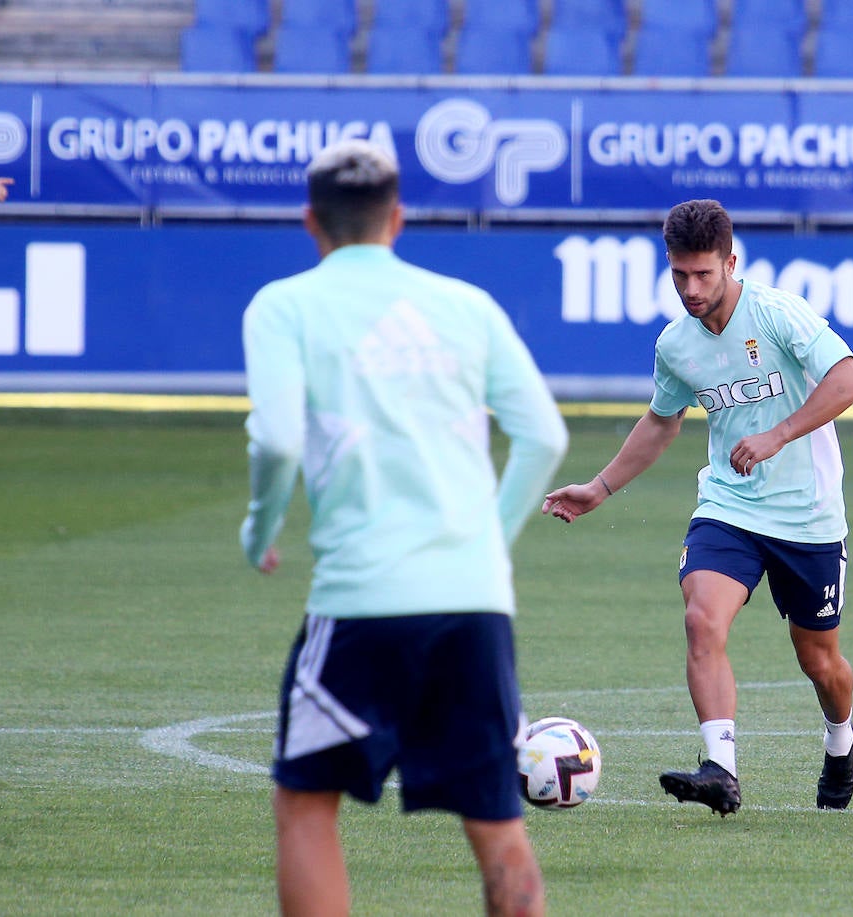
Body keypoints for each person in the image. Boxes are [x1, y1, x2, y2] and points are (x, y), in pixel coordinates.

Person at [240, 138, 567, 916]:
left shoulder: (283, 305)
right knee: (496, 819)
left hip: (362, 601)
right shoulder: (467, 305)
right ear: (398, 217)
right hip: (473, 602)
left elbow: (277, 440)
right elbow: (544, 436)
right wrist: (487, 541)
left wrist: (259, 529)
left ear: (310, 221)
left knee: (306, 803)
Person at [543, 199, 853, 815]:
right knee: (701, 620)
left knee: (819, 661)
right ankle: (721, 769)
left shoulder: (777, 313)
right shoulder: (675, 344)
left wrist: (777, 435)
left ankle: (840, 739)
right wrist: (599, 488)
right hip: (729, 506)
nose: (691, 289)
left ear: (730, 263)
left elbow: (849, 380)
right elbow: (661, 422)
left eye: (703, 274)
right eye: (679, 274)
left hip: (808, 515)